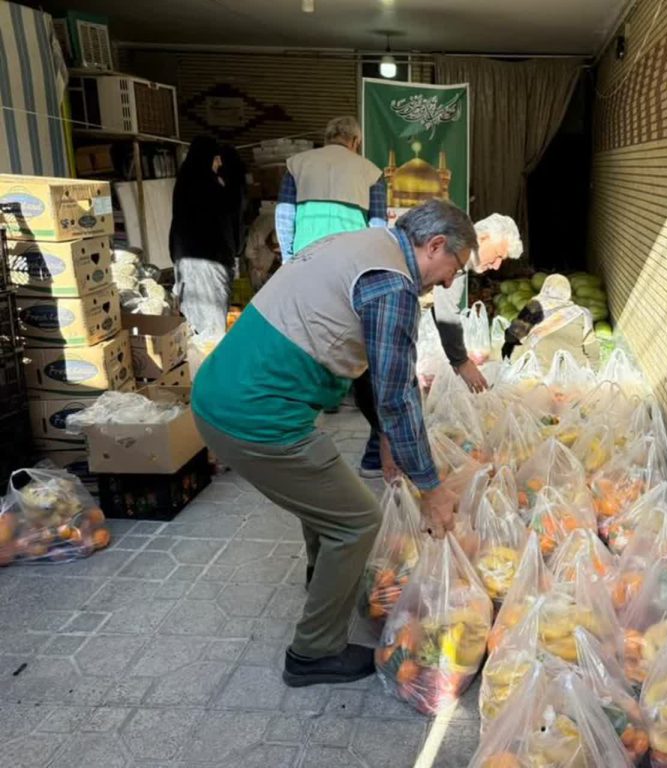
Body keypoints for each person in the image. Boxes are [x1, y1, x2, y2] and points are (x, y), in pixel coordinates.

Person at [191, 200, 476, 686]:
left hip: (226, 392)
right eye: (456, 268)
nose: (450, 283)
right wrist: (431, 488)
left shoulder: (366, 245)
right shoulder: (392, 283)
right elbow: (398, 395)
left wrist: (387, 436)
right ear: (434, 246)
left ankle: (322, 578)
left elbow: (372, 367)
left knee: (326, 490)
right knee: (357, 521)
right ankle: (314, 653)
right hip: (253, 414)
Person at [353, 212, 523, 479]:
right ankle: (387, 458)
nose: (498, 265)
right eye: (498, 255)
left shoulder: (450, 256)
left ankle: (379, 457)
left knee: (386, 386)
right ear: (483, 238)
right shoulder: (442, 261)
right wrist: (461, 361)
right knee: (391, 385)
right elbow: (445, 311)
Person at [275, 116, 387, 263]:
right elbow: (378, 225)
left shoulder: (297, 164)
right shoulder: (371, 172)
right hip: (351, 258)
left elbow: (285, 214)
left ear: (326, 138)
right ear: (355, 141)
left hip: (305, 256)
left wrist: (287, 258)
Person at [169, 136, 244, 338]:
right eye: (216, 158)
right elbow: (229, 218)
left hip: (186, 261)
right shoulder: (208, 187)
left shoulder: (185, 182)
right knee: (211, 325)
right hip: (208, 264)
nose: (219, 163)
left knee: (195, 321)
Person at [501, 273, 601, 370]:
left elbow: (517, 341)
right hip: (574, 371)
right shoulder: (581, 313)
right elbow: (591, 346)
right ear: (568, 292)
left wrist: (515, 365)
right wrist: (594, 368)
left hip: (540, 373)